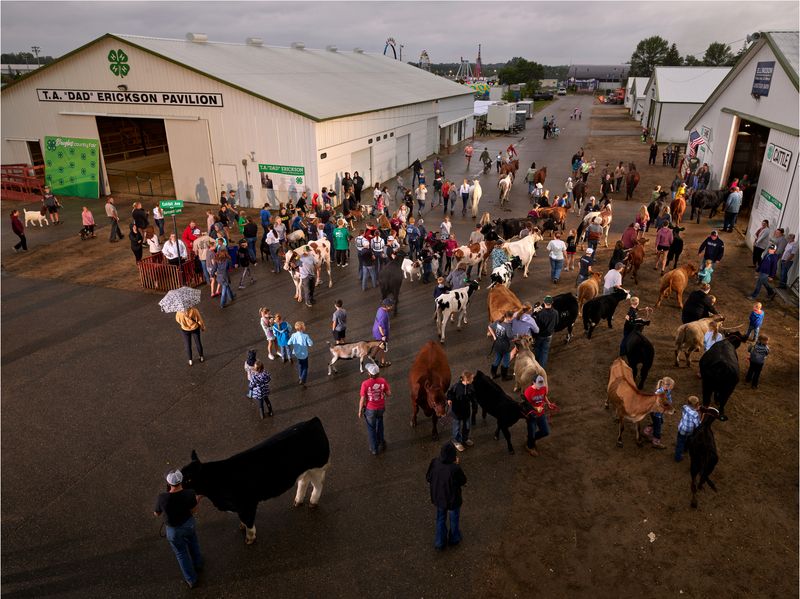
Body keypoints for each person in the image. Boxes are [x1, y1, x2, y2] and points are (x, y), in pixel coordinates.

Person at [153, 470, 203, 589]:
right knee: (193, 542)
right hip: (188, 524)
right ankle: (198, 564)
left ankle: (191, 580)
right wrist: (198, 498)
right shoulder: (190, 493)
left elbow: (156, 514)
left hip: (174, 531)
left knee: (181, 553)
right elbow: (194, 511)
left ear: (169, 483)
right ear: (181, 481)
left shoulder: (163, 498)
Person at [426, 441, 467, 551]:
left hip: (439, 498)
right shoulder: (454, 468)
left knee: (440, 518)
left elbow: (428, 477)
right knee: (454, 519)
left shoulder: (434, 463)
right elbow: (463, 480)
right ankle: (454, 538)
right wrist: (456, 465)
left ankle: (439, 542)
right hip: (453, 499)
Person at [358, 362, 391, 455]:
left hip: (370, 409)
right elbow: (389, 394)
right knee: (380, 424)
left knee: (371, 428)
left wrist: (360, 410)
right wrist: (383, 393)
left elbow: (362, 399)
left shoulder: (365, 384)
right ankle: (382, 442)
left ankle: (374, 448)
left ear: (369, 374)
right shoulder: (382, 381)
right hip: (381, 408)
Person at [523, 375, 555, 456]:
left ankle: (531, 439)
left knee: (545, 431)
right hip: (531, 416)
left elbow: (544, 396)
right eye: (539, 384)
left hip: (541, 414)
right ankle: (529, 446)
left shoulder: (543, 388)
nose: (540, 386)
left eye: (541, 384)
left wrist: (548, 403)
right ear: (533, 382)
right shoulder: (528, 391)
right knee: (532, 433)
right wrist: (536, 408)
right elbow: (526, 405)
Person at [447, 371, 475, 452]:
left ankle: (465, 439)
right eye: (472, 378)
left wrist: (474, 405)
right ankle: (456, 441)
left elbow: (473, 397)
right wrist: (449, 399)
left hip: (466, 411)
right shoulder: (456, 387)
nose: (473, 379)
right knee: (456, 428)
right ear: (467, 380)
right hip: (457, 412)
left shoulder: (471, 387)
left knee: (467, 426)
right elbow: (450, 393)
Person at [643, 377, 674, 449]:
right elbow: (656, 404)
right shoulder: (658, 393)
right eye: (672, 386)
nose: (672, 388)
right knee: (658, 427)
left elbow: (669, 400)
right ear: (666, 386)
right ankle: (656, 442)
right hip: (656, 412)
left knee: (660, 422)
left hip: (659, 413)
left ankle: (647, 431)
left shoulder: (667, 391)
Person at [533, 296, 558, 368]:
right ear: (552, 303)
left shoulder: (540, 313)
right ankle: (542, 368)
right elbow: (556, 323)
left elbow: (536, 326)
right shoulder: (556, 313)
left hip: (540, 335)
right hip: (549, 335)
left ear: (544, 303)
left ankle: (536, 364)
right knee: (545, 351)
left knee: (537, 349)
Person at [488, 311, 514, 380]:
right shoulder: (508, 326)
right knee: (506, 361)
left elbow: (489, 327)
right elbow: (510, 337)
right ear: (508, 318)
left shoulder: (498, 321)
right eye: (512, 318)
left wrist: (494, 336)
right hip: (504, 346)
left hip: (497, 344)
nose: (512, 319)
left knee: (497, 359)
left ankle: (493, 374)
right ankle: (504, 377)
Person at [674, 396, 701, 462]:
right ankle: (684, 450)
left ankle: (678, 456)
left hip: (682, 429)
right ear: (697, 405)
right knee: (687, 439)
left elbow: (689, 409)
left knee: (680, 442)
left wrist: (695, 408)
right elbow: (697, 424)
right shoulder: (696, 414)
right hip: (690, 431)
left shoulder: (684, 407)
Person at [287, 321, 313, 387]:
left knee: (300, 365)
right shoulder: (305, 336)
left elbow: (289, 343)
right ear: (302, 328)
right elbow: (310, 344)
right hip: (304, 354)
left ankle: (300, 376)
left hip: (297, 354)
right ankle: (302, 379)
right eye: (304, 326)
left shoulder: (293, 335)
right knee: (305, 367)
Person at [372, 300, 393, 366]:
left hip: (376, 331)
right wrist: (383, 335)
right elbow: (380, 327)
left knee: (379, 345)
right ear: (386, 306)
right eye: (390, 305)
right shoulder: (383, 315)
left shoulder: (380, 309)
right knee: (383, 348)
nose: (392, 306)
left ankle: (372, 356)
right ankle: (383, 363)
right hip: (381, 333)